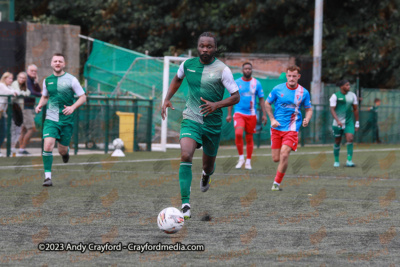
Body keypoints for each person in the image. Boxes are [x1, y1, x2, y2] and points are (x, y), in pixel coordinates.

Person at [161, 32, 240, 219]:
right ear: (198, 47)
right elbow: (177, 79)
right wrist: (166, 99)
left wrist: (216, 105)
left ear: (215, 48)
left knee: (208, 165)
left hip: (212, 124)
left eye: (209, 46)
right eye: (202, 46)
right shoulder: (187, 65)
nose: (205, 49)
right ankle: (186, 204)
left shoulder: (223, 70)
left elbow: (236, 96)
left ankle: (206, 175)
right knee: (186, 153)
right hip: (191, 118)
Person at [35, 53, 86, 186]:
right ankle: (47, 177)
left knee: (61, 150)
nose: (57, 63)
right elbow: (45, 97)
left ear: (64, 64)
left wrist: (73, 107)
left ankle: (65, 153)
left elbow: (83, 97)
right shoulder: (47, 80)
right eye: (55, 61)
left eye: (60, 61)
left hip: (66, 120)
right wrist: (40, 104)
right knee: (47, 145)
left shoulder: (72, 79)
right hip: (51, 119)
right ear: (51, 64)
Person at [265, 65, 312, 191]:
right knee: (276, 158)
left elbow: (308, 109)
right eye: (289, 76)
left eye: (294, 76)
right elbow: (267, 103)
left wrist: (307, 118)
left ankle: (276, 184)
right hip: (276, 128)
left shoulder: (304, 92)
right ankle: (280, 170)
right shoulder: (277, 89)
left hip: (292, 128)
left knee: (284, 154)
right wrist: (272, 119)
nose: (291, 78)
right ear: (286, 76)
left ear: (298, 77)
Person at [226, 62, 267, 170]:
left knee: (249, 138)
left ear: (251, 70)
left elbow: (261, 100)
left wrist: (264, 114)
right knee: (238, 134)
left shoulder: (256, 83)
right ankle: (241, 158)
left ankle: (248, 161)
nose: (247, 70)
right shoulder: (237, 82)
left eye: (249, 69)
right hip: (239, 113)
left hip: (251, 114)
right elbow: (231, 98)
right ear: (242, 70)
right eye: (246, 69)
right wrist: (229, 114)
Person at [329, 79, 359, 167]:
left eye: (349, 85)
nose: (349, 87)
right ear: (341, 87)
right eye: (347, 85)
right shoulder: (335, 96)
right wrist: (338, 120)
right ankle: (336, 161)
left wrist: (357, 122)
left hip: (349, 122)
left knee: (350, 138)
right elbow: (332, 109)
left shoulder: (353, 95)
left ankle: (349, 161)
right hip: (337, 123)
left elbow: (355, 109)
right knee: (337, 141)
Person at [18, 64, 42, 156]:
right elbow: (32, 92)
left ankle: (20, 150)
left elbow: (38, 90)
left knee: (24, 129)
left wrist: (36, 82)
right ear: (27, 71)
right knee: (31, 129)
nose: (34, 72)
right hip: (25, 106)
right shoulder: (27, 79)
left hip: (29, 106)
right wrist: (42, 94)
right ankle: (22, 149)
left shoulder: (32, 80)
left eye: (35, 71)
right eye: (32, 71)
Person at [11, 72, 30, 156]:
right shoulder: (15, 83)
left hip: (19, 109)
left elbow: (28, 92)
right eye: (20, 77)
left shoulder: (24, 85)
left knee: (18, 129)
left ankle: (13, 149)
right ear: (17, 77)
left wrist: (23, 93)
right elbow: (18, 93)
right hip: (13, 108)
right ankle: (11, 149)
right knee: (13, 129)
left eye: (23, 78)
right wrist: (23, 93)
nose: (22, 79)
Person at [0, 72, 18, 157]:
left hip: (2, 112)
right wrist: (13, 92)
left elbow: (16, 93)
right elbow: (9, 93)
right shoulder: (1, 85)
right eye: (9, 78)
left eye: (12, 78)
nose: (11, 80)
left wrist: (13, 92)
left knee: (3, 132)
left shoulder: (9, 87)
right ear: (4, 78)